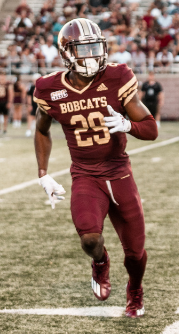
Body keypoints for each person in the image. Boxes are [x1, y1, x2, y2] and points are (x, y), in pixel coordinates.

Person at [33, 18, 158, 318]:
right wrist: (43, 173)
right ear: (66, 54)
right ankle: (100, 263)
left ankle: (135, 289)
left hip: (119, 172)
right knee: (89, 238)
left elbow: (151, 128)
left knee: (135, 253)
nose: (91, 55)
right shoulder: (49, 89)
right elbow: (42, 129)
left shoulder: (117, 77)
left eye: (94, 47)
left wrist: (128, 124)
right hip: (86, 174)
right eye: (83, 49)